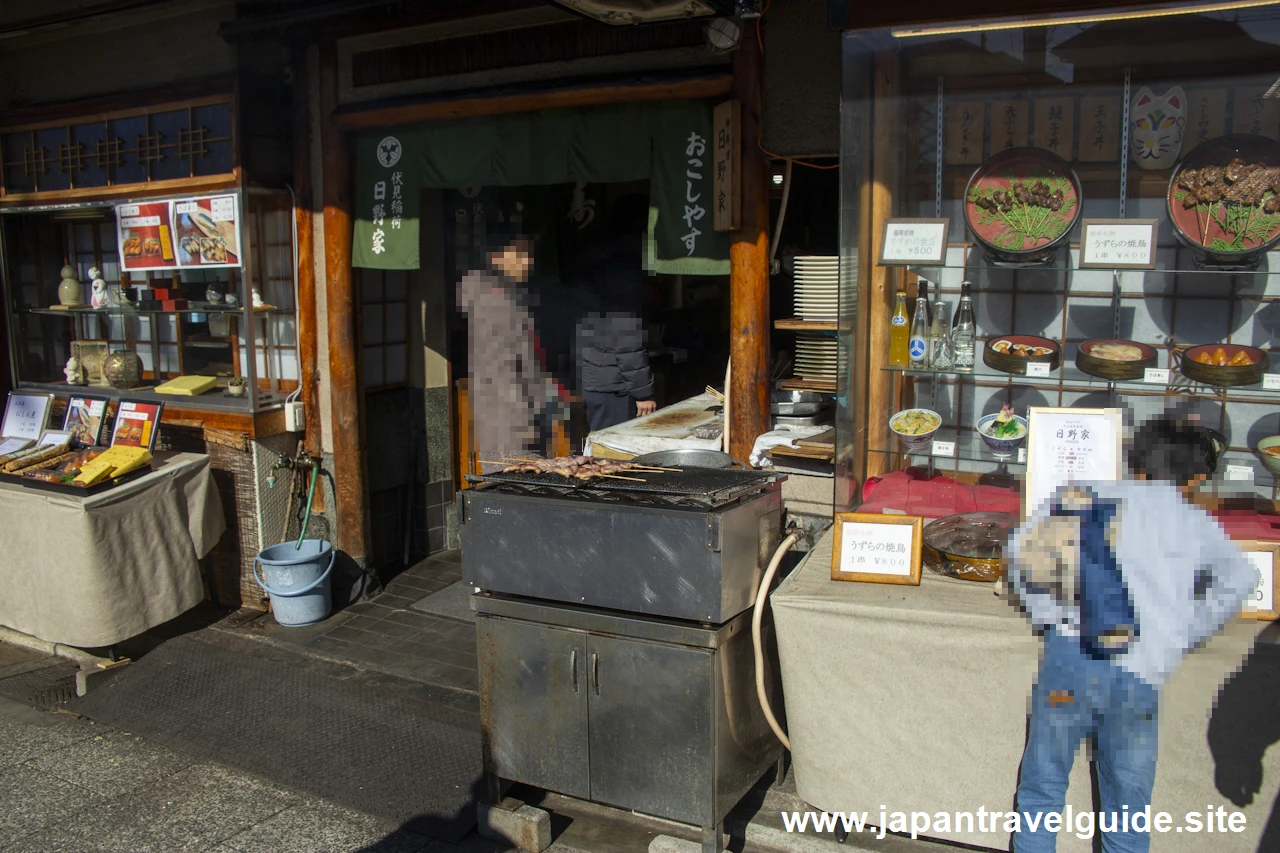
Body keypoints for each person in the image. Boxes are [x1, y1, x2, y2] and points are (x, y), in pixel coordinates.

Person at [1004, 417, 1257, 853]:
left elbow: (1019, 556)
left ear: (1132, 459)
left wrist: (1048, 615)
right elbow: (1237, 581)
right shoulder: (1191, 523)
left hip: (1070, 656)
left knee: (1042, 792)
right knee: (1127, 809)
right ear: (1195, 477)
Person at [456, 234, 568, 460]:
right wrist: (524, 420)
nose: (528, 262)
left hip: (523, 407)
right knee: (515, 478)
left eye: (529, 254)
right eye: (519, 254)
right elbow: (501, 369)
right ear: (494, 257)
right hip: (509, 414)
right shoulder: (493, 301)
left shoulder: (510, 295)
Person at [573, 195, 657, 432]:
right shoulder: (622, 268)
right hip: (612, 385)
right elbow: (627, 339)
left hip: (596, 375)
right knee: (615, 457)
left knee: (604, 452)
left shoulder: (597, 256)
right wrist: (644, 392)